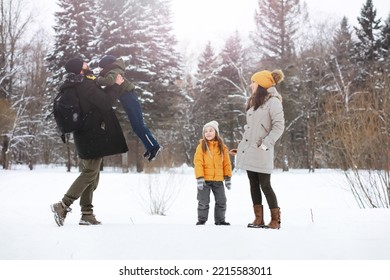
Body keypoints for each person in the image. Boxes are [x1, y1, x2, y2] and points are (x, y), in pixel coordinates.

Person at [50, 58, 128, 227]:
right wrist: (116, 85)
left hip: (85, 134)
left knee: (92, 177)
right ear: (79, 69)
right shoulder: (84, 84)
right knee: (90, 174)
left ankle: (87, 214)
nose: (87, 65)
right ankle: (63, 205)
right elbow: (106, 103)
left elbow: (100, 100)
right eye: (84, 64)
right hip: (90, 135)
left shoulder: (77, 84)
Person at [231, 70, 285, 229]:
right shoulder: (255, 101)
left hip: (262, 151)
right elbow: (250, 129)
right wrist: (241, 148)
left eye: (253, 81)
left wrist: (266, 143)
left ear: (261, 84)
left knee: (265, 185)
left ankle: (275, 220)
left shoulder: (274, 102)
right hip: (250, 150)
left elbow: (279, 126)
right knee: (253, 184)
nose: (251, 84)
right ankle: (258, 219)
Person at [96, 55, 161, 162]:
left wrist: (98, 80)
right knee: (137, 126)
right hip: (128, 98)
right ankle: (150, 146)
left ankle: (154, 146)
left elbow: (109, 81)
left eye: (101, 68)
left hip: (129, 98)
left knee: (138, 125)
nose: (100, 70)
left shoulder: (114, 71)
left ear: (106, 65)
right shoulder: (114, 70)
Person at [194, 120, 232, 226]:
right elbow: (198, 162)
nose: (208, 133)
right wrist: (200, 177)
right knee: (203, 201)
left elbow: (226, 163)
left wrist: (228, 177)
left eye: (211, 130)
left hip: (218, 180)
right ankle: (202, 220)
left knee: (221, 201)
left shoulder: (222, 147)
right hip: (204, 180)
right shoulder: (201, 146)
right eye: (206, 131)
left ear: (216, 132)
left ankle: (220, 220)